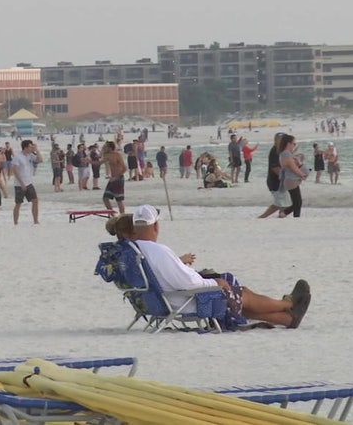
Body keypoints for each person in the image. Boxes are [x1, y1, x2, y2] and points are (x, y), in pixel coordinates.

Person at [130, 205, 311, 329]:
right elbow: (187, 282)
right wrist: (214, 282)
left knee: (237, 299)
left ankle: (288, 319)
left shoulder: (133, 250)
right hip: (184, 302)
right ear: (155, 225)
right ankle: (288, 304)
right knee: (242, 293)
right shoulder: (158, 251)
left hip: (161, 300)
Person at [11, 140, 40, 224]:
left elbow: (40, 160)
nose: (32, 148)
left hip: (29, 182)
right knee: (18, 203)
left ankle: (36, 220)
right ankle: (15, 222)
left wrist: (37, 150)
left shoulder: (30, 155)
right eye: (30, 147)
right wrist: (22, 183)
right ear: (26, 147)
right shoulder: (18, 157)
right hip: (19, 184)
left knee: (35, 201)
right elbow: (15, 170)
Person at [258, 133, 286, 218]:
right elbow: (275, 168)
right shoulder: (275, 151)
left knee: (284, 202)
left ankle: (282, 215)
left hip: (279, 181)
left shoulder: (280, 150)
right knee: (280, 203)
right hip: (274, 181)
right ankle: (262, 217)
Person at [279, 135, 307, 218]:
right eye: (293, 144)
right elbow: (293, 167)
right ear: (288, 144)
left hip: (292, 179)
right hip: (291, 180)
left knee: (297, 202)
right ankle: (283, 213)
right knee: (297, 202)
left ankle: (295, 217)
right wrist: (302, 175)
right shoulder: (286, 154)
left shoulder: (286, 153)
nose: (294, 146)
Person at [102, 141, 127, 214]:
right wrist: (88, 161)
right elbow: (99, 162)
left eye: (106, 147)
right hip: (112, 179)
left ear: (110, 148)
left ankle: (122, 215)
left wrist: (116, 177)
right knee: (105, 198)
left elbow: (125, 168)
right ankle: (112, 215)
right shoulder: (107, 155)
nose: (104, 148)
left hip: (118, 178)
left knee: (119, 199)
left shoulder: (117, 155)